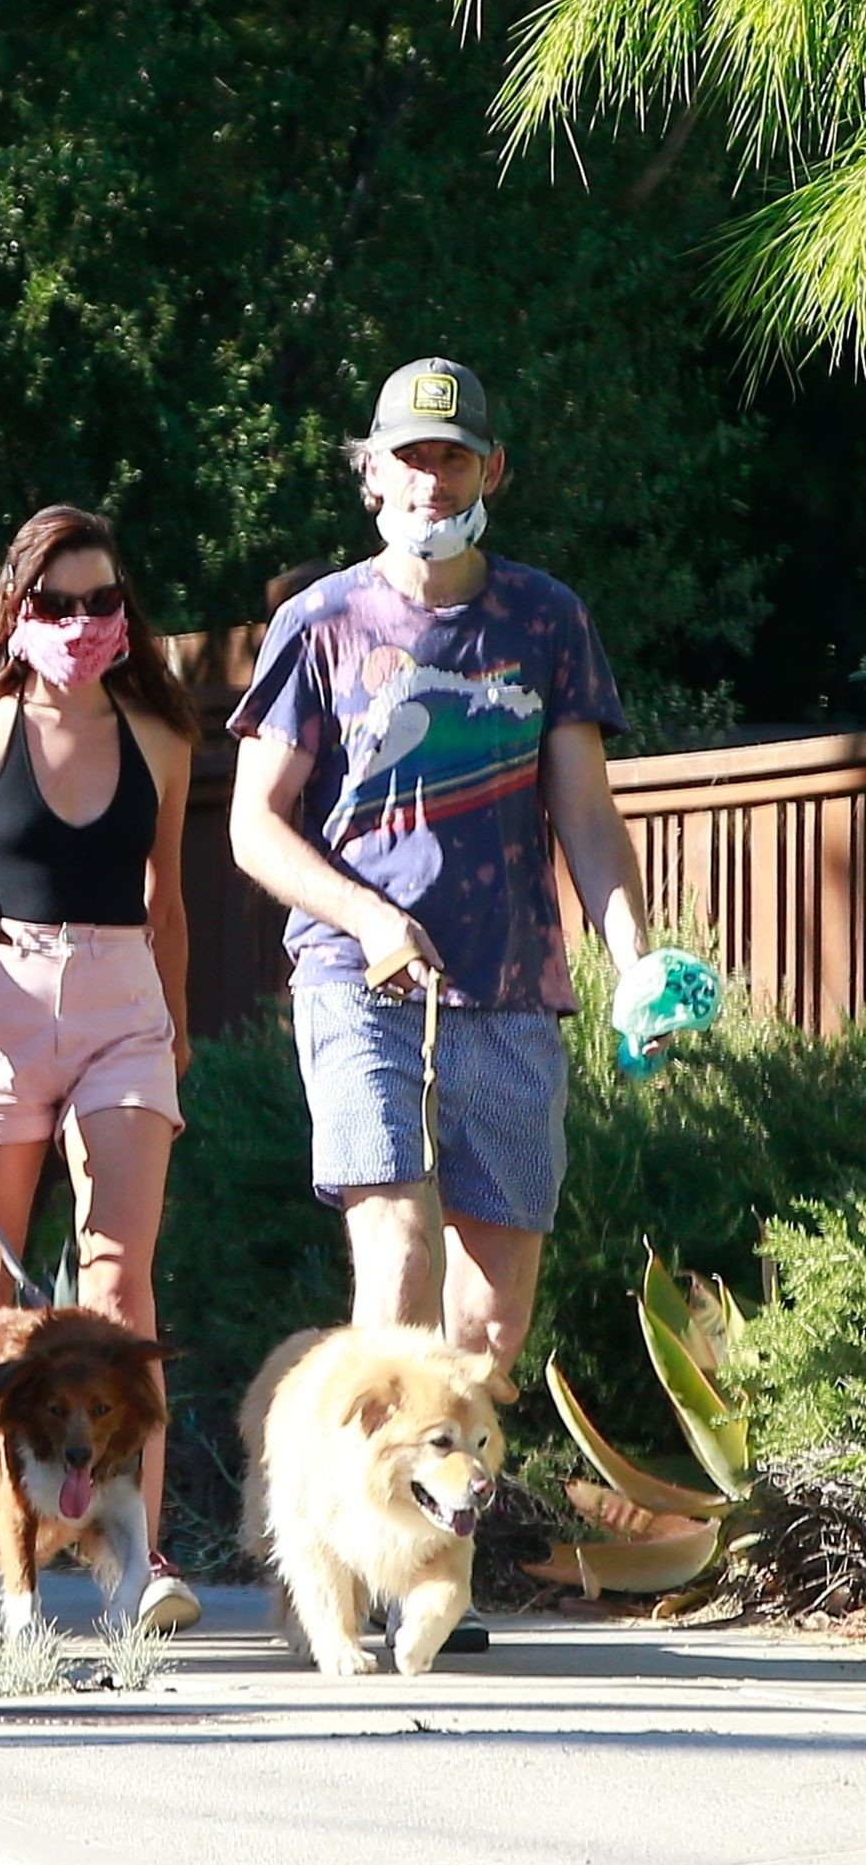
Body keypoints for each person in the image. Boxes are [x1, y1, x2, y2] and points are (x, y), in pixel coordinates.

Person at [227, 358, 655, 1639]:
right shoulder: (319, 624)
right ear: (370, 473)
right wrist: (365, 919)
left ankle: (421, 1544)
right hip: (355, 987)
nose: (429, 479)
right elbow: (254, 825)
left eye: (451, 456)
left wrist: (635, 961)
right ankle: (386, 1579)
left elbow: (586, 818)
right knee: (398, 1256)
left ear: (489, 472)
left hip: (513, 992)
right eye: (408, 458)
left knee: (484, 1325)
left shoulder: (545, 621)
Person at [0, 502, 201, 1634]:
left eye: (100, 602)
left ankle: (137, 1553)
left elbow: (168, 904)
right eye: (56, 604)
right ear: (17, 608)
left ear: (126, 610)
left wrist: (173, 1032)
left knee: (118, 1283)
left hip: (121, 1003)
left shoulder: (159, 736)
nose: (80, 622)